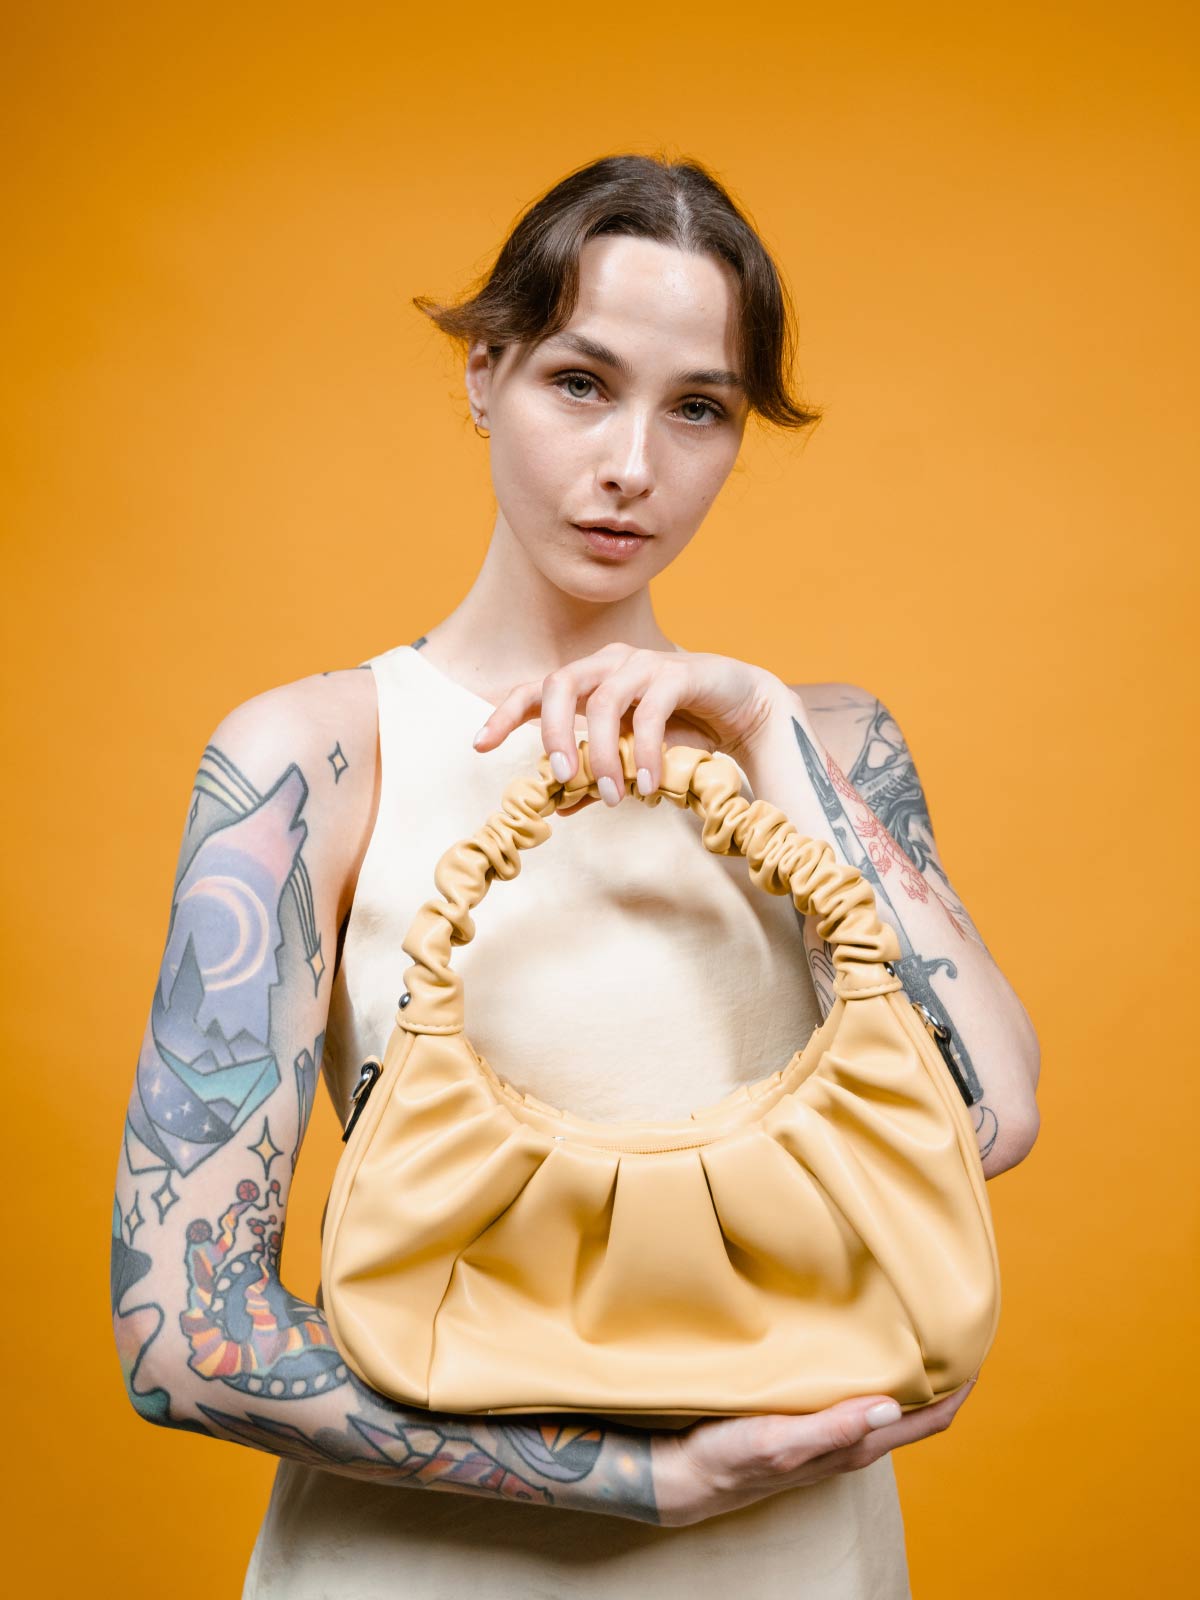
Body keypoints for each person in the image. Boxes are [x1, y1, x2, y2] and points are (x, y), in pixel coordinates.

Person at [111, 151, 1041, 1597]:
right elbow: (184, 1335)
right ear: (484, 373)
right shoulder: (317, 761)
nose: (632, 465)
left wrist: (764, 728)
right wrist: (643, 1483)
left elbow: (991, 1115)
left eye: (698, 409)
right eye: (580, 383)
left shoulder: (824, 747)